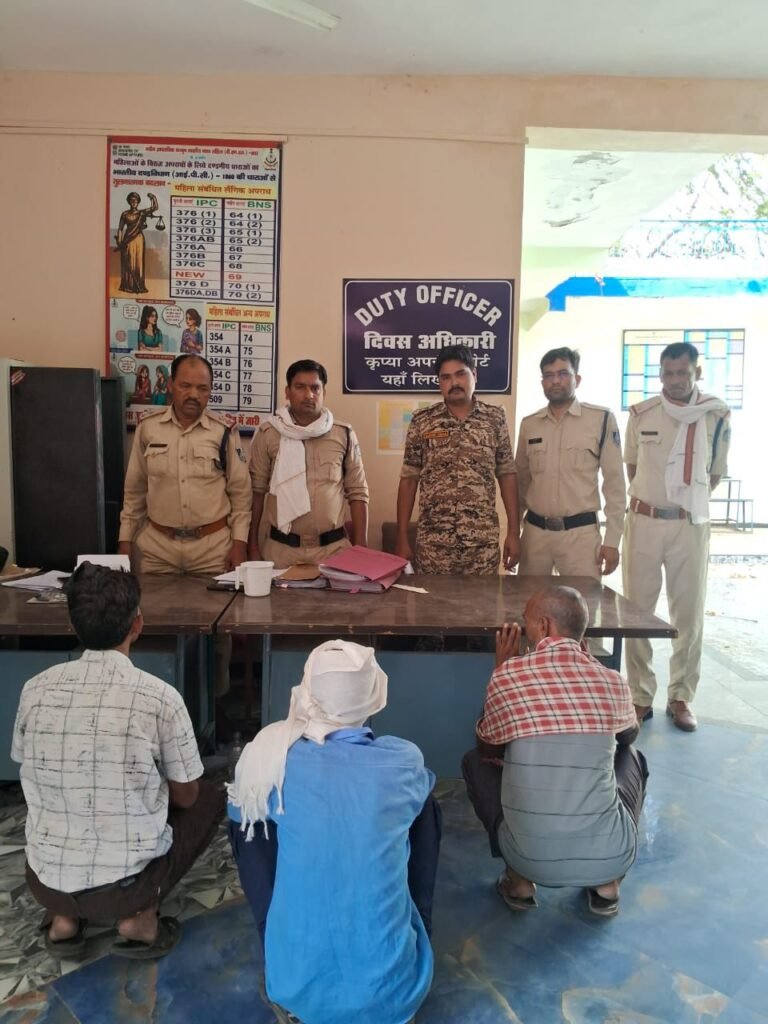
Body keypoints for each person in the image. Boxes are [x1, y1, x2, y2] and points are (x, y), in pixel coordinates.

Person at [11, 563, 224, 960]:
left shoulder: (34, 689)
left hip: (45, 879)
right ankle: (138, 920)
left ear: (73, 626)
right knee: (207, 799)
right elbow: (186, 796)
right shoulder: (159, 697)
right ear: (137, 624)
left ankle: (64, 918)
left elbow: (27, 764)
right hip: (127, 886)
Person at [227, 640, 441, 1024]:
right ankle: (416, 932)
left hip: (297, 991)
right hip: (396, 997)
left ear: (308, 689)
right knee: (425, 805)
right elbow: (414, 791)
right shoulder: (402, 760)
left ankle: (278, 942)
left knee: (250, 818)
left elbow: (239, 809)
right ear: (375, 695)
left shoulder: (274, 760)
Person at [462, 585, 647, 918]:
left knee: (475, 762)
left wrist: (500, 669)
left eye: (527, 623)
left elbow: (487, 746)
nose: (524, 630)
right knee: (631, 754)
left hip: (527, 857)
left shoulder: (510, 675)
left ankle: (519, 881)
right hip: (613, 856)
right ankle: (607, 885)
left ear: (544, 626)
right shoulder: (612, 680)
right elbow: (629, 735)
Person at [623, 342, 731, 732]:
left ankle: (681, 695)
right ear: (660, 374)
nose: (675, 380)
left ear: (697, 373)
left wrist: (683, 502)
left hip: (689, 524)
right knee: (636, 611)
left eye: (682, 372)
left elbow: (714, 473)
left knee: (688, 612)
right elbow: (633, 467)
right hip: (644, 522)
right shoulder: (642, 414)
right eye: (668, 373)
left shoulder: (715, 415)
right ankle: (639, 695)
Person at [118, 353, 252, 576]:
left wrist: (240, 544)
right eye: (185, 386)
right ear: (170, 385)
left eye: (202, 388)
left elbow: (241, 494)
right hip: (157, 550)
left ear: (210, 391)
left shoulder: (224, 432)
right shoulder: (148, 428)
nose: (193, 395)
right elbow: (135, 491)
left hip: (213, 551)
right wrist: (125, 542)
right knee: (151, 599)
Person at [395, 344, 520, 575]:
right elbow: (409, 480)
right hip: (434, 548)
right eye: (446, 377)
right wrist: (401, 537)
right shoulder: (422, 421)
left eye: (461, 374)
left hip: (481, 547)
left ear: (474, 374)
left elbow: (507, 475)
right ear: (439, 383)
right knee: (432, 600)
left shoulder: (495, 419)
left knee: (483, 600)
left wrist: (514, 532)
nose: (454, 383)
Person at [515, 347, 626, 578]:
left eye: (563, 373)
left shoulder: (601, 419)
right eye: (548, 375)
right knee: (528, 598)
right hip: (535, 536)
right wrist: (513, 533)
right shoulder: (529, 424)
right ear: (542, 382)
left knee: (584, 599)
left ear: (578, 379)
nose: (555, 381)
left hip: (581, 537)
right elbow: (521, 484)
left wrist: (613, 541)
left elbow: (614, 484)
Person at [248, 359, 369, 570]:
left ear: (323, 392)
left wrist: (361, 549)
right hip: (280, 551)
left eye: (315, 388)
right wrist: (252, 546)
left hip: (333, 551)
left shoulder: (343, 434)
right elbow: (256, 493)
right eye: (300, 387)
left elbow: (358, 493)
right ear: (287, 391)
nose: (309, 395)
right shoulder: (269, 433)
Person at [114, 191, 158, 294]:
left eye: (136, 200)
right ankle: (127, 285)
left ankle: (139, 286)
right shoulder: (125, 214)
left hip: (138, 240)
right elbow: (120, 229)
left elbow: (154, 207)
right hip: (127, 241)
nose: (134, 202)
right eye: (132, 200)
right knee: (128, 261)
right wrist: (119, 241)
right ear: (129, 202)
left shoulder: (142, 213)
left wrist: (153, 198)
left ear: (138, 202)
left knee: (138, 262)